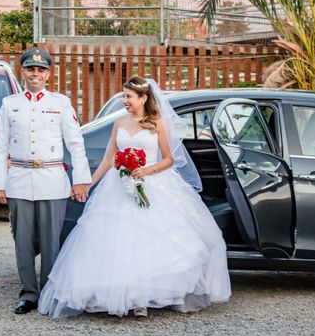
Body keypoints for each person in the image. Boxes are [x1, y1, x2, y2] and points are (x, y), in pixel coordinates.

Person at [38, 76, 231, 318]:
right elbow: (109, 159)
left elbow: (169, 159)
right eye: (124, 95)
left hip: (152, 184)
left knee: (151, 241)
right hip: (117, 187)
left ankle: (144, 298)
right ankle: (124, 297)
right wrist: (88, 183)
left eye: (128, 96)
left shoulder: (158, 123)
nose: (124, 100)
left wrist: (146, 171)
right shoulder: (119, 122)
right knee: (116, 241)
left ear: (143, 98)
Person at [0, 48, 92, 315]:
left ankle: (49, 290)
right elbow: (0, 147)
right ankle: (28, 293)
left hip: (51, 179)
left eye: (41, 70)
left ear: (48, 74)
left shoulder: (60, 103)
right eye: (30, 69)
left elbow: (75, 143)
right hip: (20, 180)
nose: (35, 74)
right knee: (22, 240)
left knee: (50, 241)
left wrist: (81, 179)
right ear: (23, 72)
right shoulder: (9, 103)